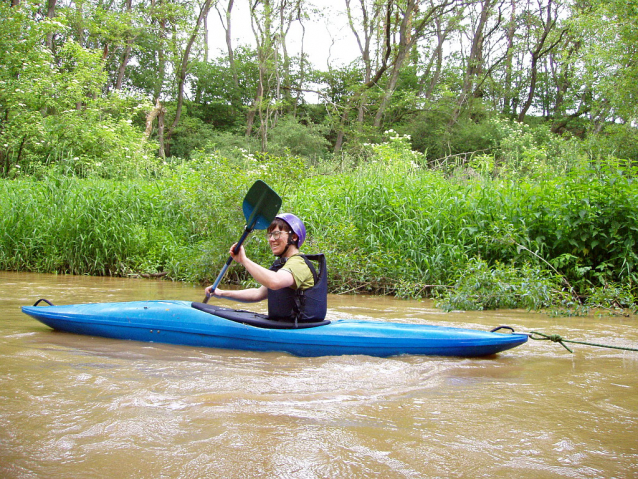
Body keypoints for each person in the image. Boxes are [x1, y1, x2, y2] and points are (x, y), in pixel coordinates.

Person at [205, 213, 328, 324]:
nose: (271, 239)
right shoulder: (282, 265)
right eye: (269, 235)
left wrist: (244, 260)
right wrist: (221, 293)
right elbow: (257, 294)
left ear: (294, 237)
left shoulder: (298, 264)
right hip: (284, 325)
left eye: (276, 234)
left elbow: (274, 282)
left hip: (298, 327)